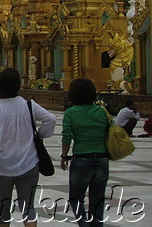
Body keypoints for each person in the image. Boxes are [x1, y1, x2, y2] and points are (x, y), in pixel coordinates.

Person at [0, 68, 56, 227]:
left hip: (2, 166)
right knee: (28, 208)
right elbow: (50, 120)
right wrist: (41, 135)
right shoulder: (29, 106)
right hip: (28, 163)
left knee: (3, 208)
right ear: (18, 86)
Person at [60, 78, 111, 227]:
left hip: (82, 159)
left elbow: (66, 137)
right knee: (97, 200)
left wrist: (64, 156)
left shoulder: (71, 113)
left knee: (75, 199)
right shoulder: (101, 111)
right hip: (102, 159)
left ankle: (83, 224)